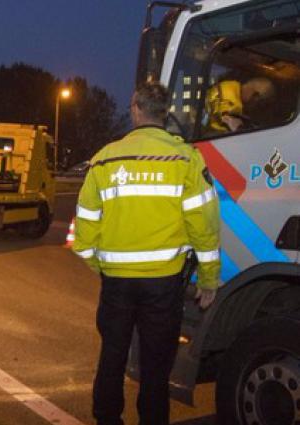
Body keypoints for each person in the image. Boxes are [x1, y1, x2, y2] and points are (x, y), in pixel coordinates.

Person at [72, 83, 221, 425]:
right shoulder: (186, 158)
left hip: (117, 283)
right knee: (156, 365)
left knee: (112, 356)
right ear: (165, 114)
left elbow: (85, 227)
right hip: (164, 284)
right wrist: (209, 279)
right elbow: (204, 225)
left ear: (135, 109)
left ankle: (107, 419)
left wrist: (100, 264)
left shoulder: (105, 159)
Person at [206, 77, 275, 132]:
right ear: (255, 95)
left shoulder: (227, 85)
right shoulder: (233, 107)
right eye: (259, 102)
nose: (254, 105)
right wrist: (238, 127)